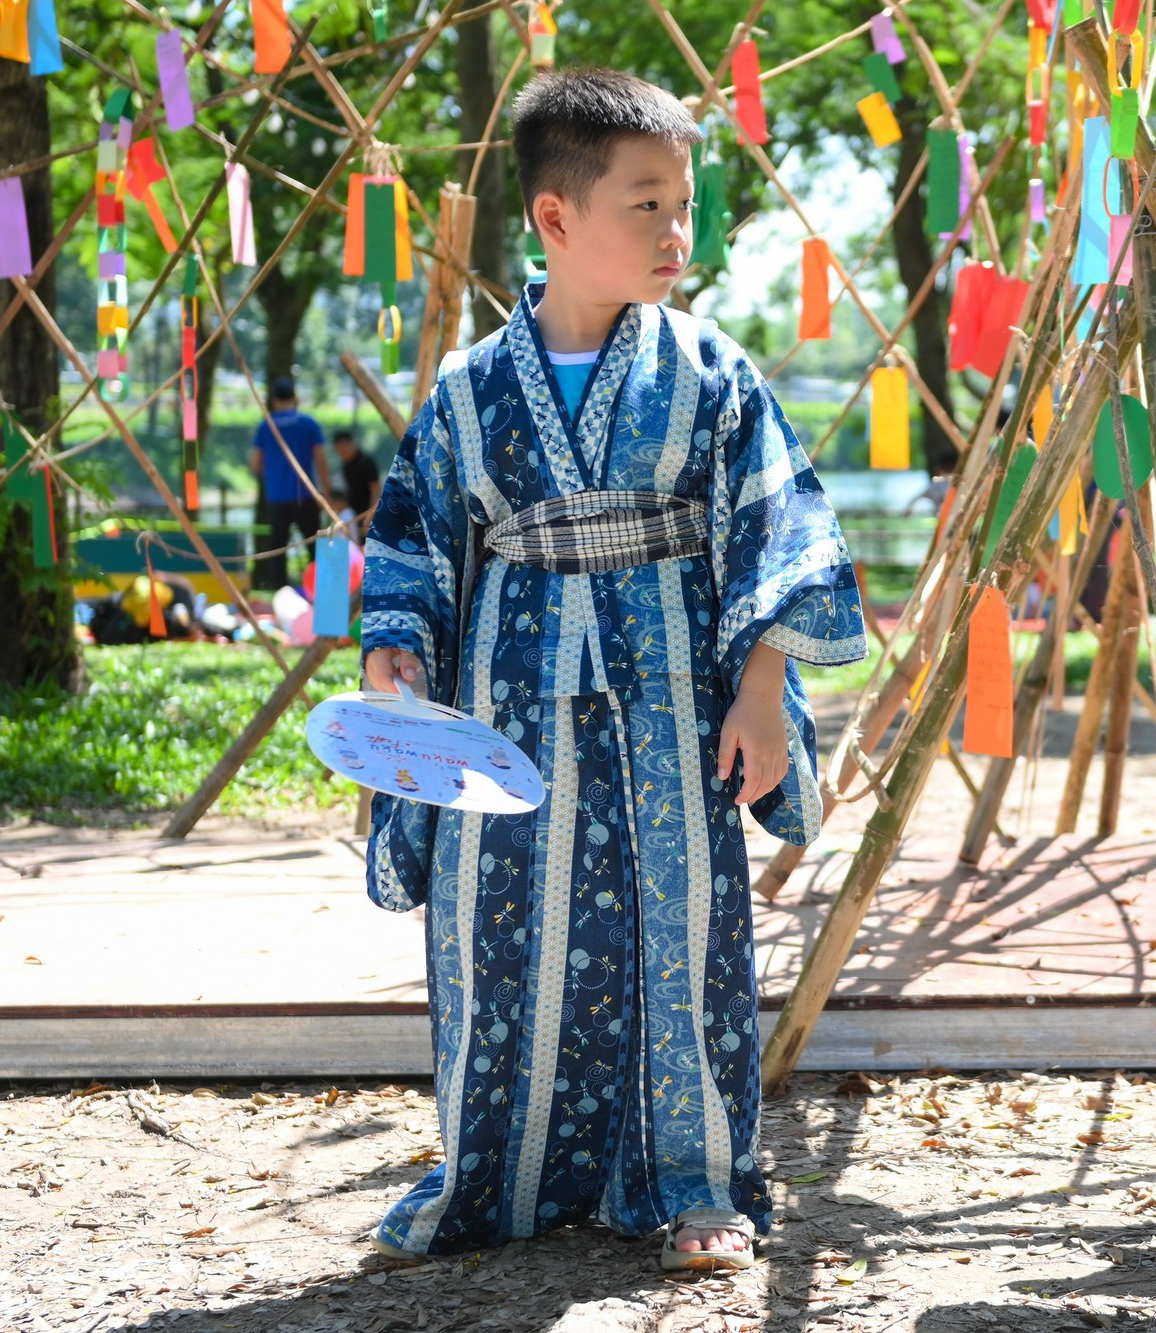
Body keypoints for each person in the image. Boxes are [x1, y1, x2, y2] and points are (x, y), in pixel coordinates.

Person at [357, 70, 865, 1269]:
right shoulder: (467, 391)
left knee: (680, 924)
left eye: (684, 205)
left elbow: (780, 527)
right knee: (496, 934)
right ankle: (497, 1179)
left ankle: (694, 1184)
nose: (677, 233)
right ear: (554, 220)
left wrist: (760, 689)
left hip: (676, 693)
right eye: (647, 205)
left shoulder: (710, 372)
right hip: (503, 700)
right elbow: (412, 537)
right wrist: (395, 657)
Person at [249, 376, 329, 590]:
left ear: (273, 400)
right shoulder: (308, 423)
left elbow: (255, 464)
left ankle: (281, 595)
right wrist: (325, 493)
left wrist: (274, 471)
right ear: (295, 398)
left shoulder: (265, 427)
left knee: (278, 551)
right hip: (305, 495)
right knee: (315, 548)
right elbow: (321, 460)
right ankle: (322, 595)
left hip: (277, 498)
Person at [332, 428, 383, 537]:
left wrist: (370, 516)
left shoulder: (366, 462)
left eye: (344, 446)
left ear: (352, 443)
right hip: (354, 514)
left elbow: (376, 490)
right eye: (339, 449)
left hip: (367, 513)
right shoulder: (346, 466)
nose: (343, 451)